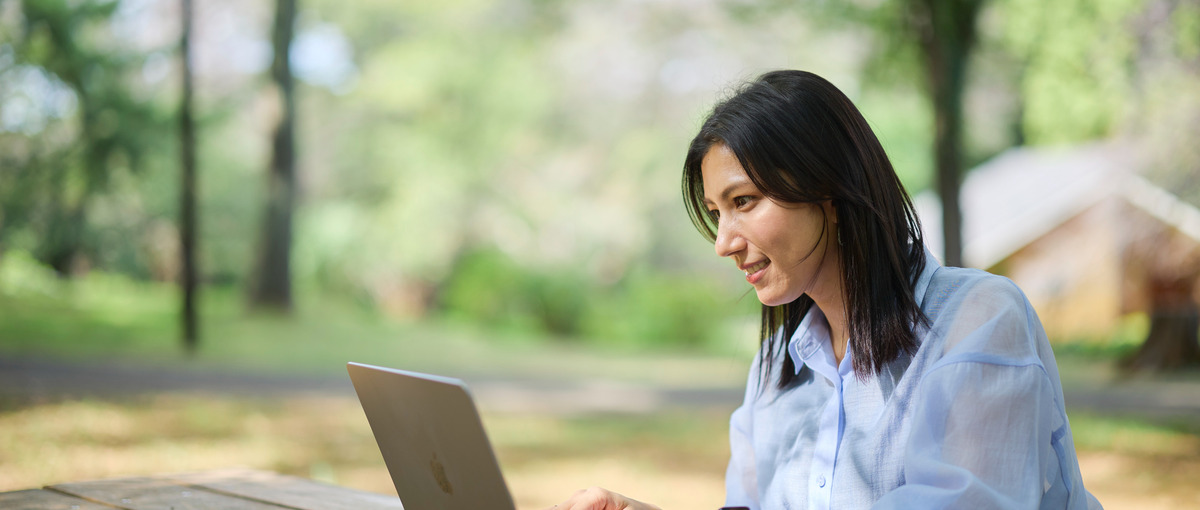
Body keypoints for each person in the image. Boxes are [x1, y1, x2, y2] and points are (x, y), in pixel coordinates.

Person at [545, 70, 1102, 510]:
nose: (723, 243)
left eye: (743, 202)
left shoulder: (977, 319)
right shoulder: (775, 367)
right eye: (717, 212)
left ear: (830, 193)